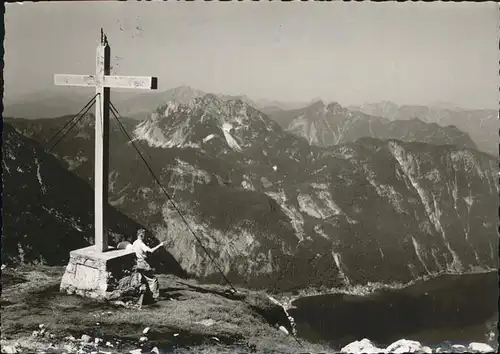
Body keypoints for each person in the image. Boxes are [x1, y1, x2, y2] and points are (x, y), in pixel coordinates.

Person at [132, 229, 164, 304]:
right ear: (141, 235)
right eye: (144, 235)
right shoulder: (141, 244)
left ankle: (145, 296)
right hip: (143, 263)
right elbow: (151, 250)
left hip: (137, 263)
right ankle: (154, 296)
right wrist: (160, 245)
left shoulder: (135, 243)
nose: (145, 236)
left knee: (143, 279)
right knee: (153, 279)